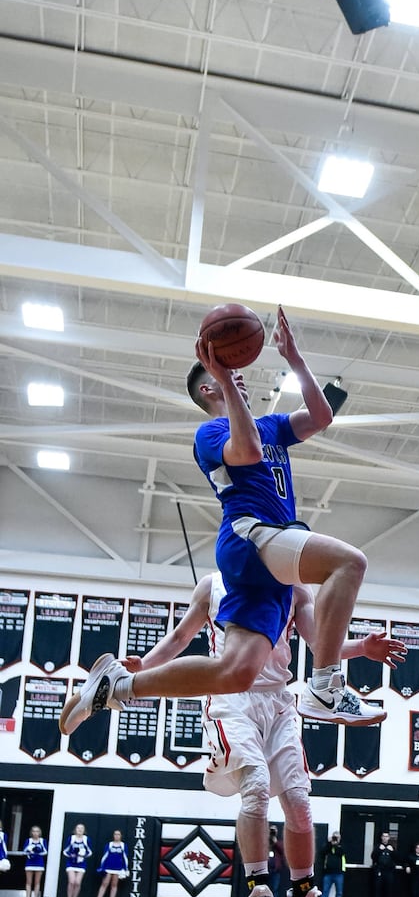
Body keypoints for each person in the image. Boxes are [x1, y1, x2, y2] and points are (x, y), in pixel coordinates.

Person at [60, 305, 384, 736]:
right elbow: (246, 451)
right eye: (228, 374)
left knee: (235, 673)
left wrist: (295, 360)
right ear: (210, 389)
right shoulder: (210, 434)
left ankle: (119, 686)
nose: (240, 376)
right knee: (349, 562)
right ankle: (324, 686)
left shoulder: (271, 426)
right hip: (253, 538)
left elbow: (322, 417)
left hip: (272, 562)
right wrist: (228, 381)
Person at [126, 572, 405, 897]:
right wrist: (143, 666)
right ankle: (259, 895)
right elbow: (181, 636)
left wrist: (359, 648)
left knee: (299, 802)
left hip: (277, 699)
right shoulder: (212, 584)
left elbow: (316, 638)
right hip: (229, 698)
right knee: (256, 789)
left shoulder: (294, 586)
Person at [94, 830, 128, 897]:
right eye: (115, 834)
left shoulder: (123, 845)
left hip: (118, 868)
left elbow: (125, 858)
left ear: (121, 836)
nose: (117, 836)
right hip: (108, 867)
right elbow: (104, 856)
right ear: (113, 835)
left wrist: (125, 869)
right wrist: (102, 867)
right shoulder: (109, 844)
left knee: (114, 884)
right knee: (104, 883)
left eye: (118, 834)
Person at [62, 823, 91, 897]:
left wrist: (83, 855)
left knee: (77, 882)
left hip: (81, 863)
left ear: (84, 830)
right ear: (75, 829)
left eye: (82, 828)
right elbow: (65, 851)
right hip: (71, 863)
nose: (80, 830)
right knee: (72, 881)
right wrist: (71, 855)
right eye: (78, 828)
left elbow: (90, 852)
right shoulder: (71, 838)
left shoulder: (86, 839)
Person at [320, 832, 347, 897]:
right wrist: (329, 843)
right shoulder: (328, 846)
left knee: (339, 892)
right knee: (325, 891)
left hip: (339, 873)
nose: (335, 839)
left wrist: (337, 844)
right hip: (328, 873)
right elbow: (323, 852)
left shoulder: (342, 846)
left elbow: (341, 852)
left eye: (337, 837)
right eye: (334, 837)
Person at [372, 831, 398, 897]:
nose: (385, 838)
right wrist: (379, 850)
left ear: (389, 838)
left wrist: (392, 851)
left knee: (389, 891)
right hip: (379, 871)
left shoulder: (392, 847)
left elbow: (397, 858)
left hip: (389, 871)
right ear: (381, 837)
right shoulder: (377, 847)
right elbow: (373, 857)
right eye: (383, 836)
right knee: (377, 890)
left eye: (386, 836)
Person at [23, 826, 46, 897]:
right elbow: (24, 851)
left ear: (39, 833)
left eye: (37, 831)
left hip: (39, 863)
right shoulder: (28, 841)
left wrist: (37, 851)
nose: (35, 833)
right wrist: (30, 850)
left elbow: (45, 851)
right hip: (30, 863)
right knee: (29, 881)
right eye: (34, 831)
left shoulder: (43, 841)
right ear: (31, 832)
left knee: (37, 882)